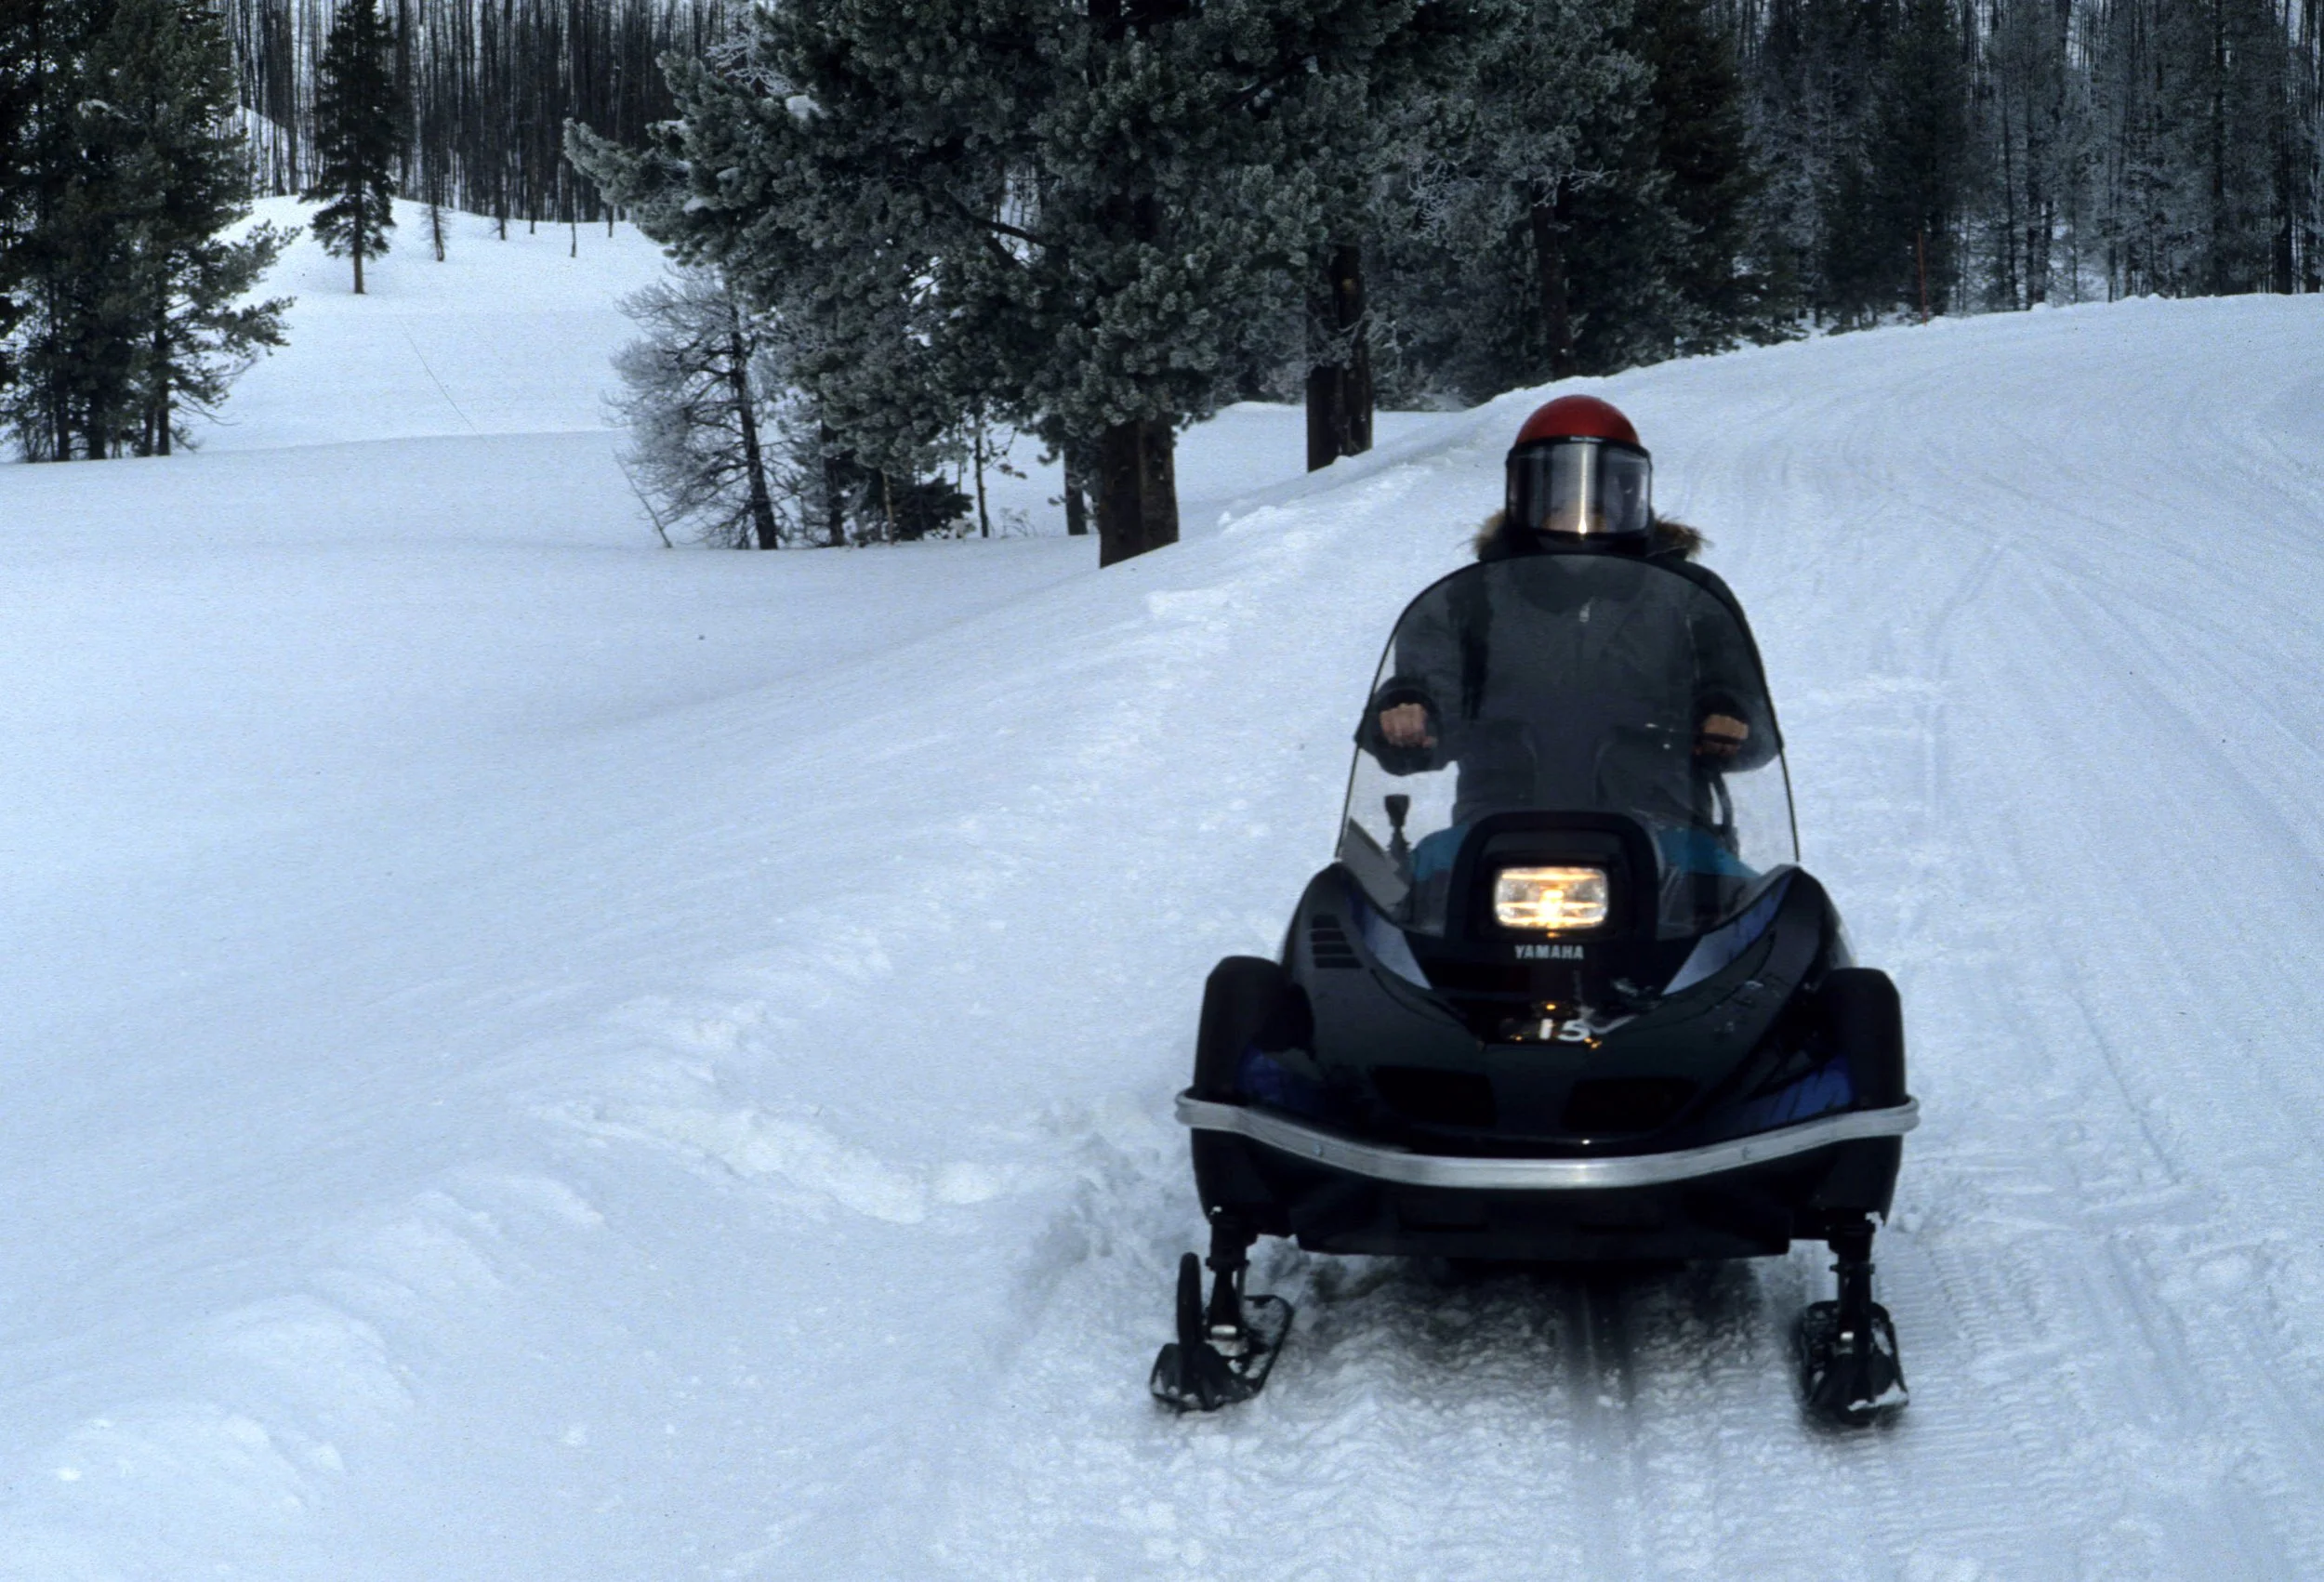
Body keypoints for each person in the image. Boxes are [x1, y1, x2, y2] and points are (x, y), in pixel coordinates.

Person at [1358, 394, 1776, 857]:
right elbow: (1433, 692)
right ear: (1522, 493)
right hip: (1499, 827)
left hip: (1665, 823)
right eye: (1557, 492)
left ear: (1630, 493)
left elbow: (1753, 715)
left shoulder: (1689, 596)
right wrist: (1407, 712)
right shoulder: (1467, 597)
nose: (1577, 512)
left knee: (1766, 899)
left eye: (1599, 495)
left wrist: (1727, 715)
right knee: (1418, 883)